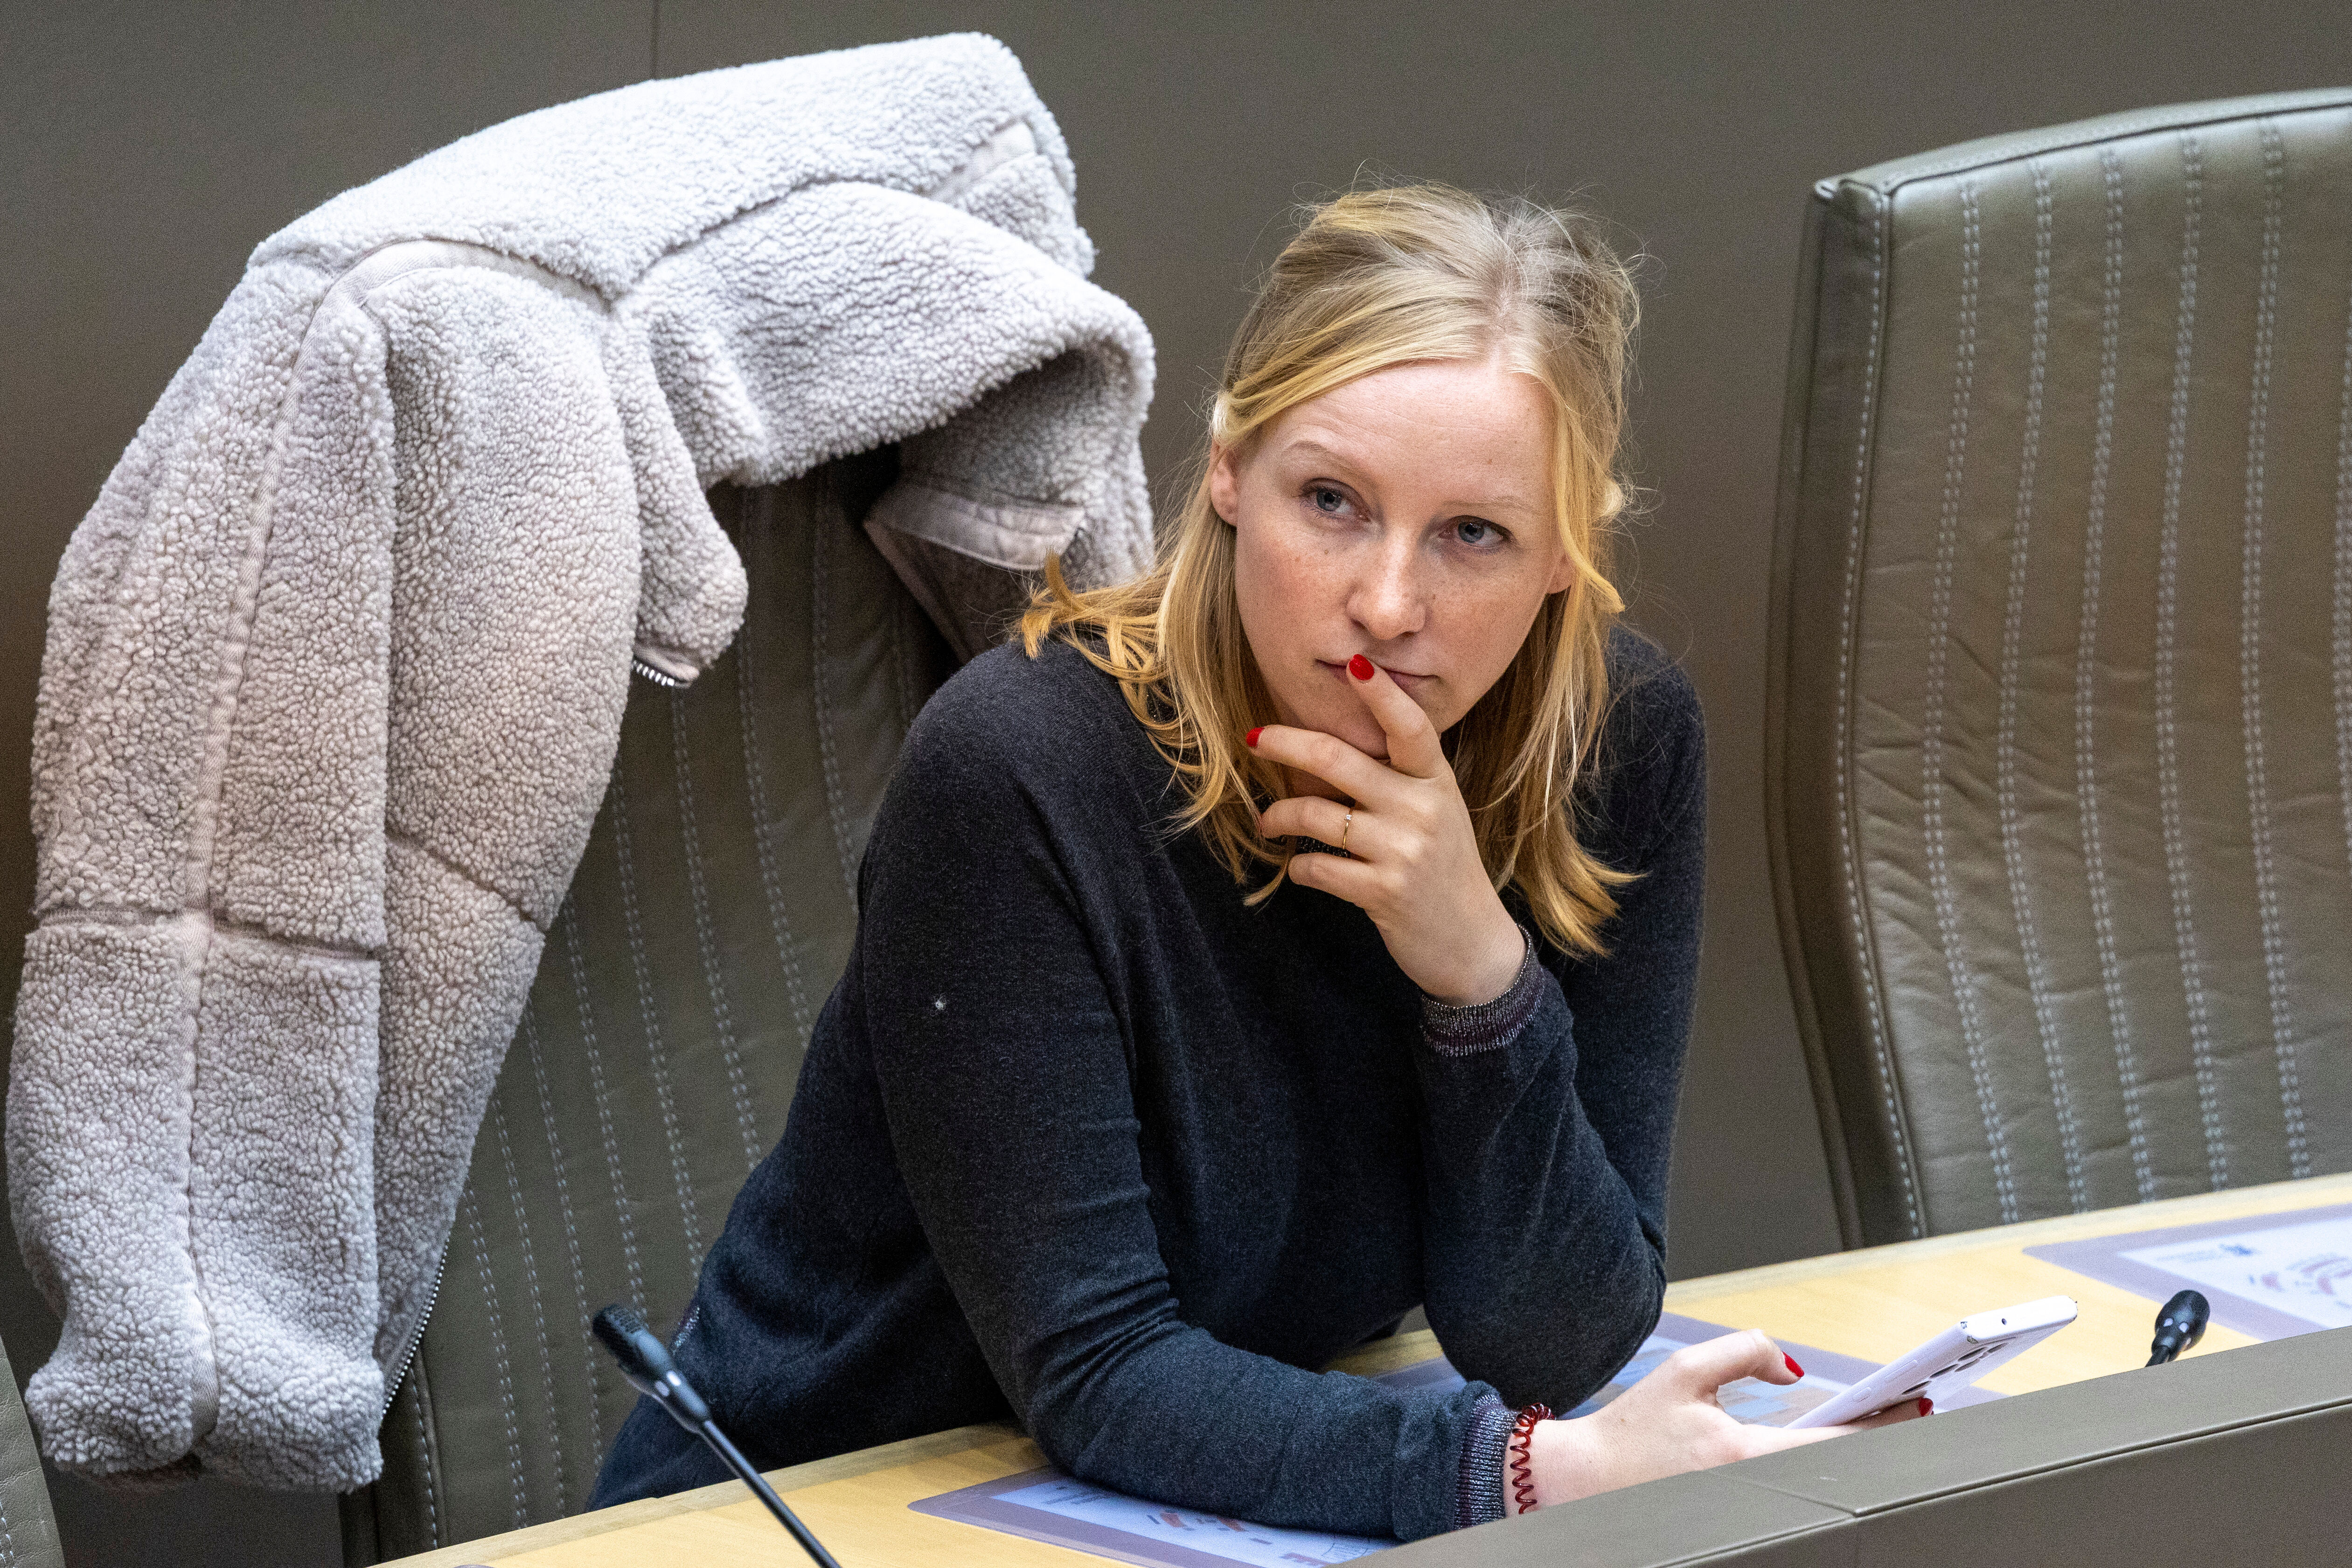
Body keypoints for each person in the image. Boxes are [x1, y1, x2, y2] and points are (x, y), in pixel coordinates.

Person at [591, 181, 1918, 1539]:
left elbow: (1552, 1345)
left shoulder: (1615, 746)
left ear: (1566, 552)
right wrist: (1530, 1473)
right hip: (799, 1510)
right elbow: (1098, 1373)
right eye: (1331, 501)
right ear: (1229, 467)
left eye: (1474, 534)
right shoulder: (1019, 766)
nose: (1388, 604)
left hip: (1199, 1519)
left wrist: (1479, 977)